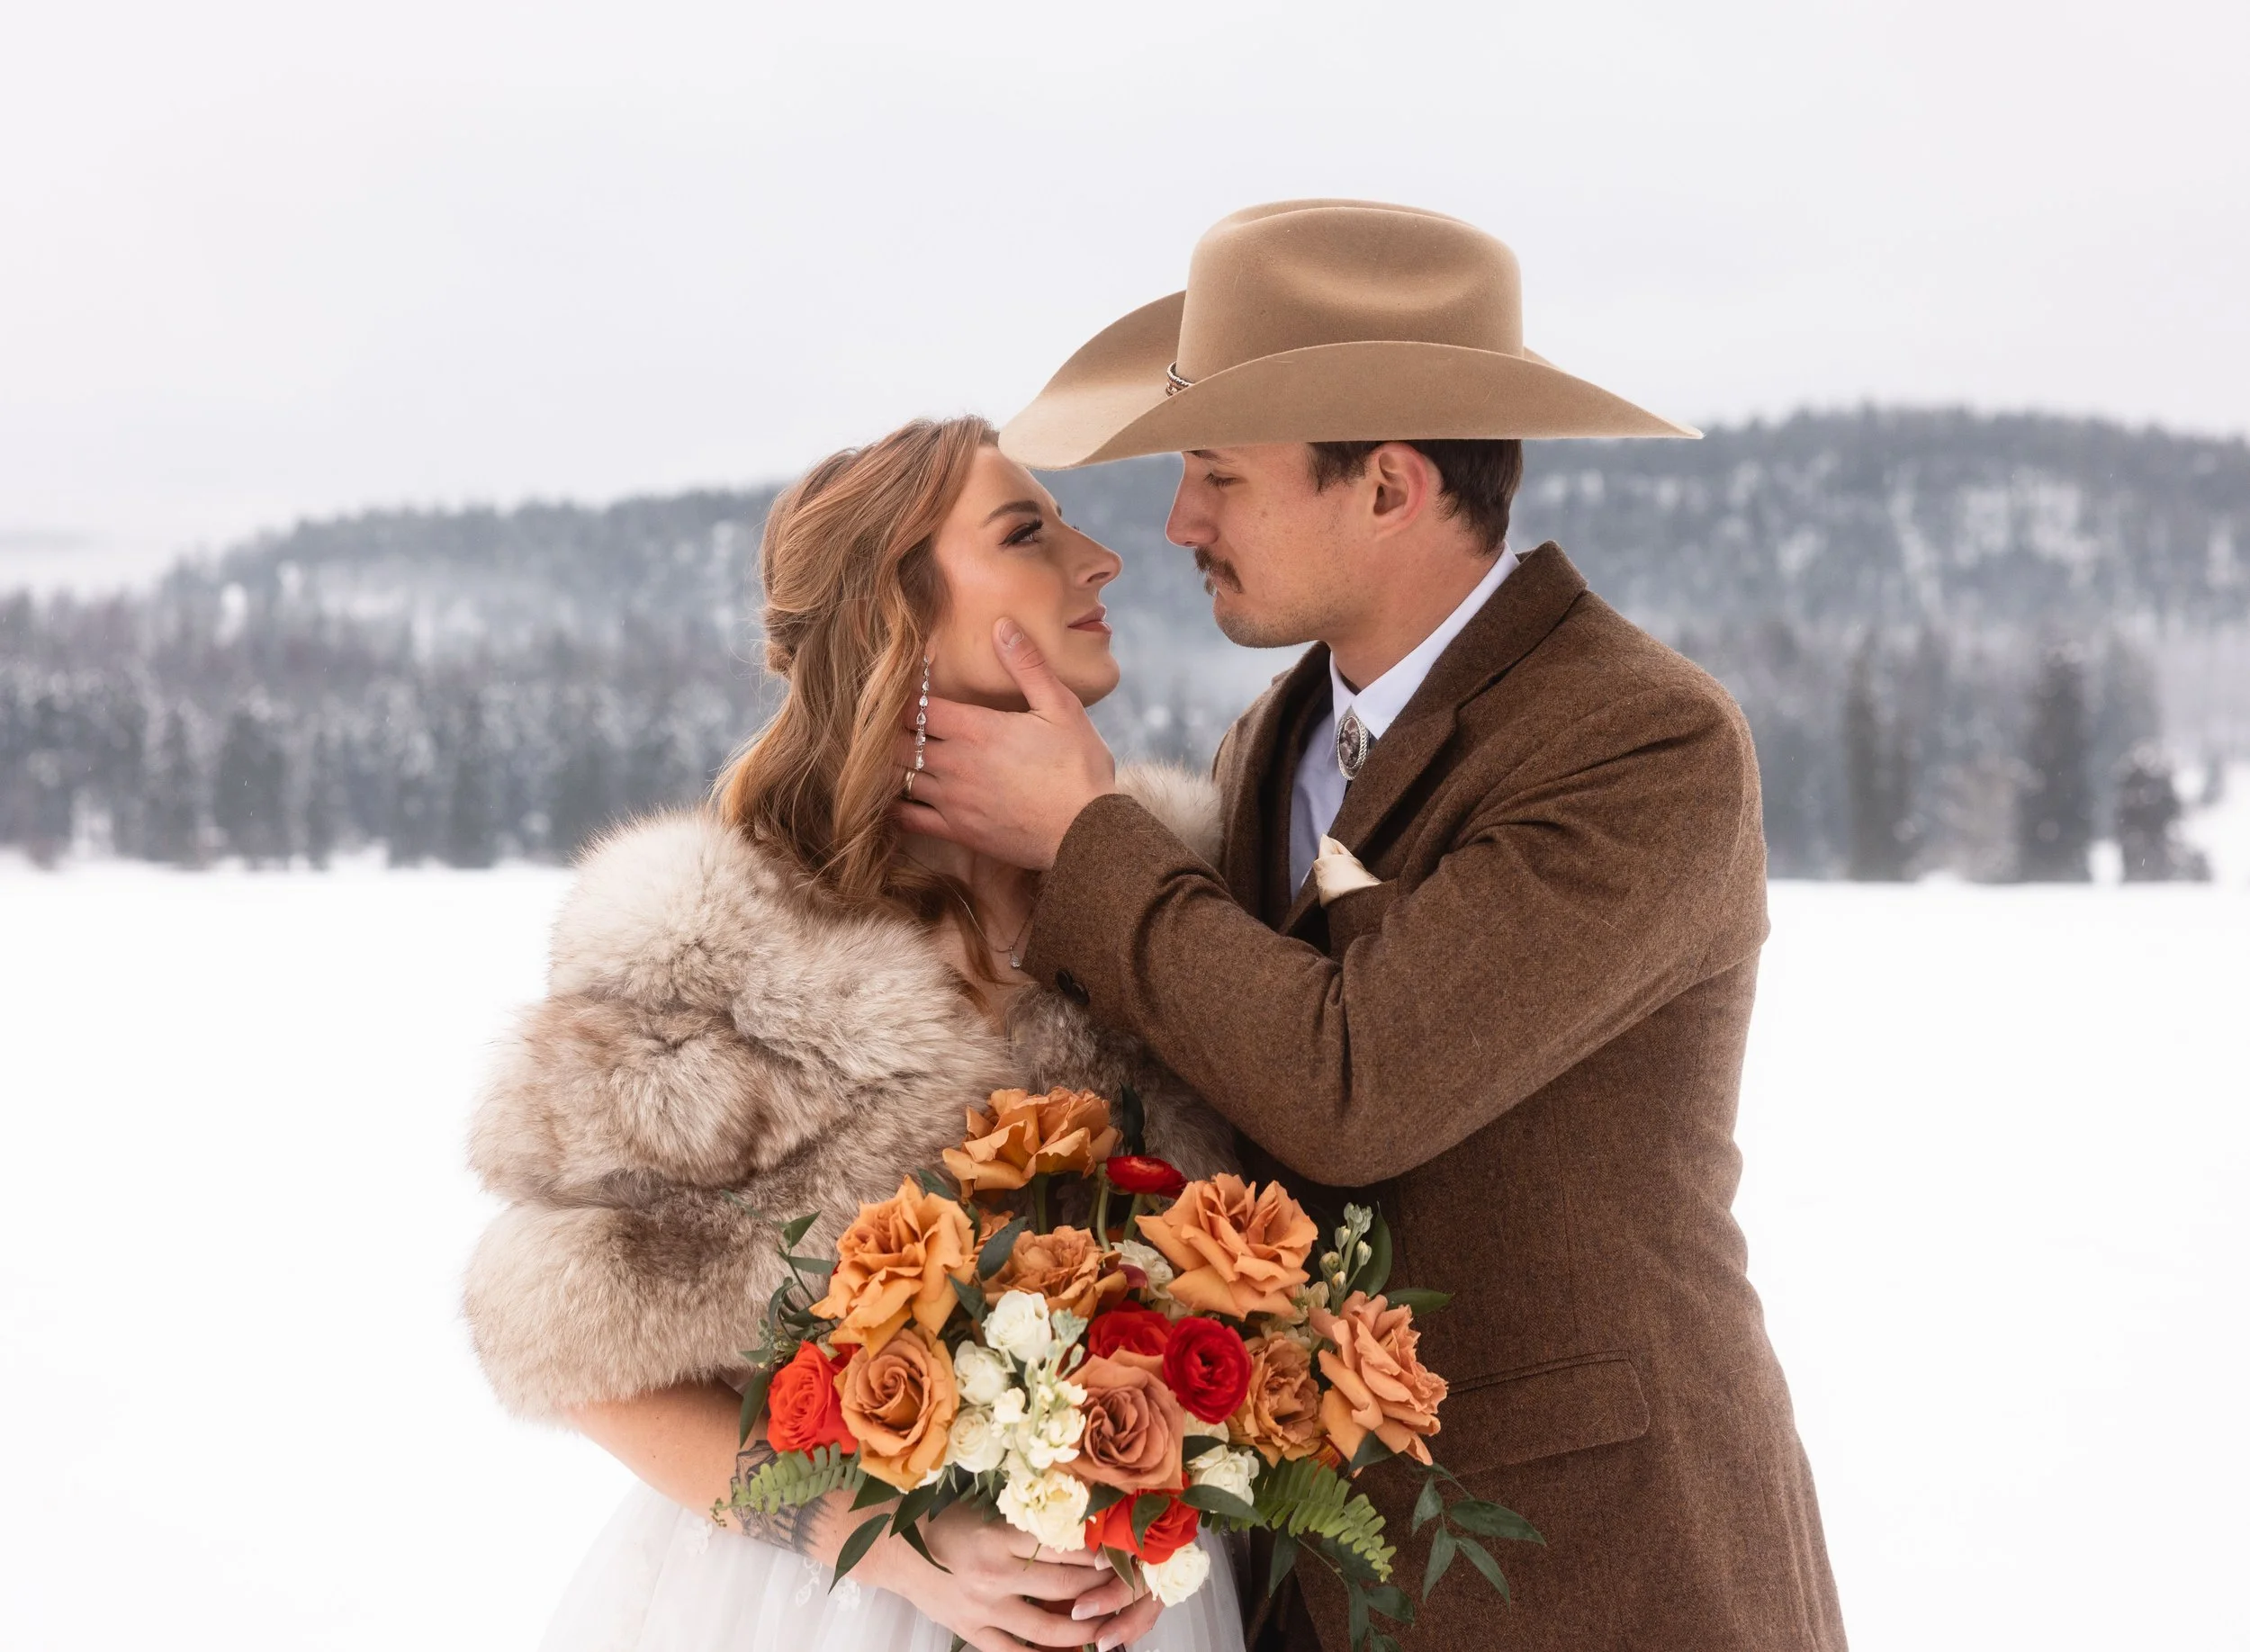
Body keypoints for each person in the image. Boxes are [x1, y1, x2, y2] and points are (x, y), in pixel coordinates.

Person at [895, 200, 1849, 1651]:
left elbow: (1357, 1086)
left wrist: (1085, 836)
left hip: (1593, 1573)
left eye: (1218, 474)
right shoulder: (1265, 745)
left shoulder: (1642, 743)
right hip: (1306, 1580)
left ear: (1391, 485)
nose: (1179, 523)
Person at [461, 416, 1244, 1652]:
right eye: (1027, 532)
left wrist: (1169, 1501)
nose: (1102, 559)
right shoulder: (706, 940)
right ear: (897, 609)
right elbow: (585, 1352)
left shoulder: (1176, 897)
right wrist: (894, 1546)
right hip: (812, 1607)